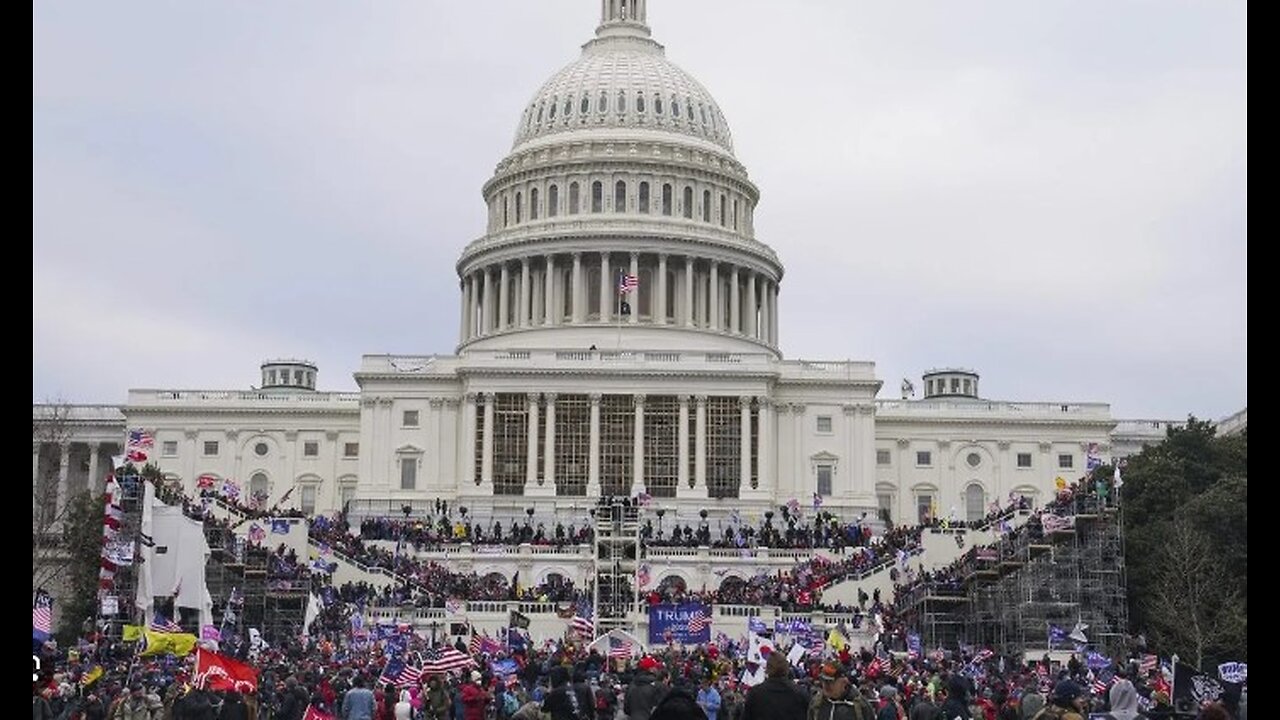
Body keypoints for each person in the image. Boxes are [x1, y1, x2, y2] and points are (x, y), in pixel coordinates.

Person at [807, 663, 873, 720]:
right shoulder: (816, 704)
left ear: (844, 681)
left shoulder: (860, 706)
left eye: (831, 682)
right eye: (823, 680)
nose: (826, 685)